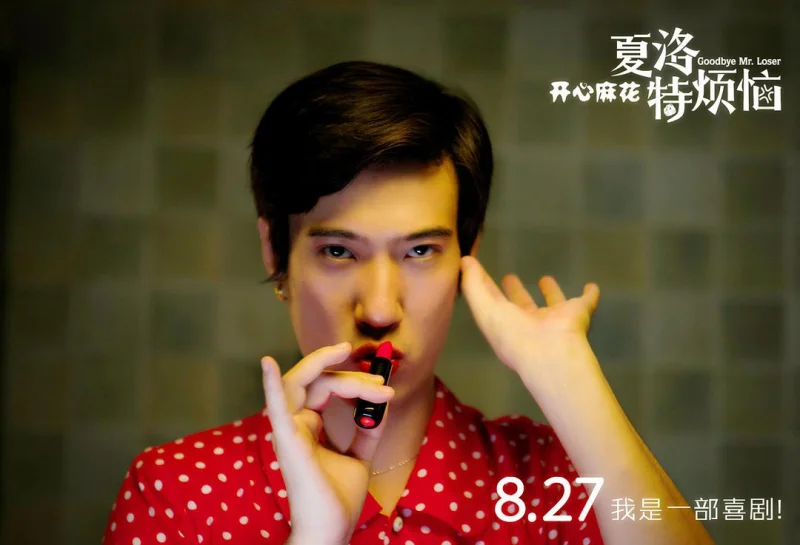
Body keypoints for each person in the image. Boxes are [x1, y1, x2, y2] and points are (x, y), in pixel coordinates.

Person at [103, 61, 714, 545]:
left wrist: (571, 380)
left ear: (466, 255)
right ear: (275, 252)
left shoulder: (550, 476)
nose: (378, 310)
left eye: (420, 251)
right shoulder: (177, 491)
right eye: (338, 252)